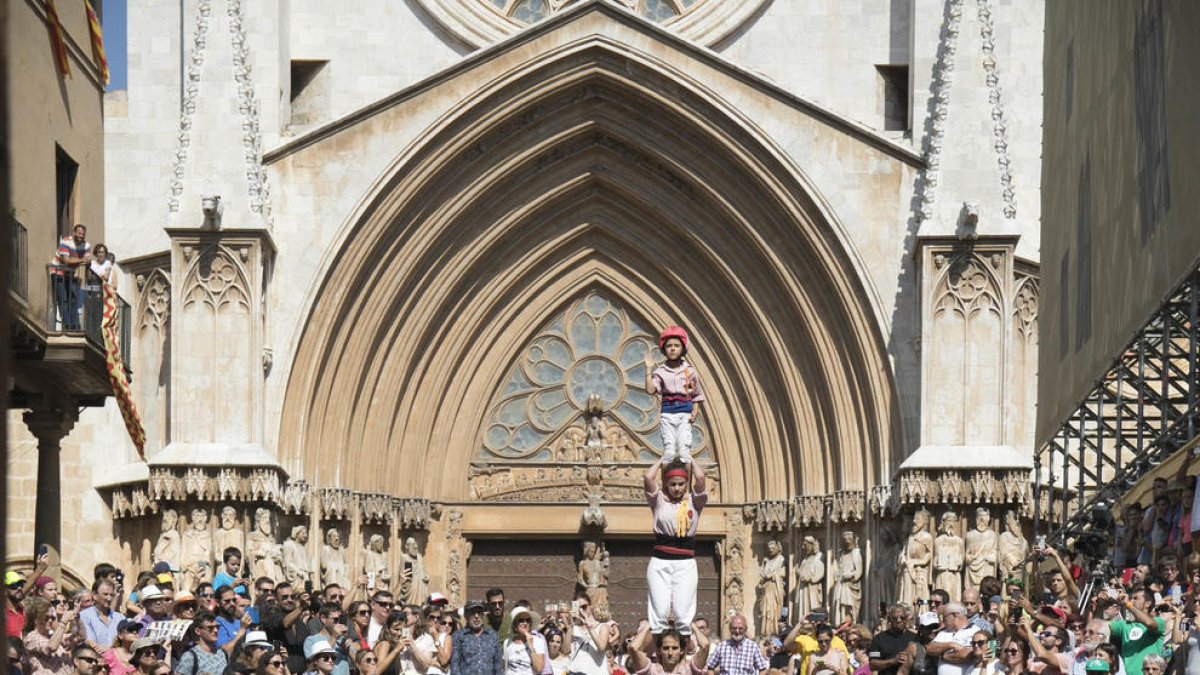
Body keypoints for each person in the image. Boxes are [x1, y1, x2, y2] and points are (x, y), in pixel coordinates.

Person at [644, 458, 707, 635]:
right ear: (666, 484)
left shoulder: (694, 502)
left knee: (682, 613)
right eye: (672, 484)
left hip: (685, 562)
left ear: (687, 484)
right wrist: (662, 461)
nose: (677, 488)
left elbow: (701, 478)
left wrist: (690, 458)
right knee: (660, 612)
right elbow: (648, 477)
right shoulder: (659, 502)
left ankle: (683, 652)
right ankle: (659, 648)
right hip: (660, 561)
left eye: (681, 484)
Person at [644, 326, 705, 464]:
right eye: (669, 346)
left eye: (676, 345)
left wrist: (695, 411)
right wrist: (649, 370)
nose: (672, 348)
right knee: (669, 452)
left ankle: (687, 481)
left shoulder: (688, 372)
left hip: (684, 413)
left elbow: (695, 394)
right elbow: (651, 390)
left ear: (682, 348)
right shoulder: (661, 372)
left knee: (684, 453)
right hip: (668, 413)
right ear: (664, 349)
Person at [1108, 590, 1164, 675]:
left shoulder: (1159, 621)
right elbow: (1100, 628)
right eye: (1131, 599)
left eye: (1135, 598)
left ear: (1147, 603)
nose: (1131, 601)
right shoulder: (1124, 625)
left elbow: (1149, 623)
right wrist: (1100, 605)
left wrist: (1128, 605)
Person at [627, 621, 710, 675]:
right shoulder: (652, 671)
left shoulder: (689, 670)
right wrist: (649, 625)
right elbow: (633, 648)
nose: (670, 653)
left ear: (681, 650)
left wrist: (689, 622)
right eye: (666, 648)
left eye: (674, 648)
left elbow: (705, 645)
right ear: (659, 650)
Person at [265, 582, 313, 673]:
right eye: (285, 597)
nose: (289, 600)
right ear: (276, 599)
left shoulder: (300, 623)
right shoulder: (271, 617)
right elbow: (285, 623)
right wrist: (302, 607)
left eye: (292, 597)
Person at [23, 596, 79, 675]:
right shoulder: (32, 637)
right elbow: (51, 647)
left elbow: (81, 637)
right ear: (36, 620)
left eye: (52, 618)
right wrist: (63, 622)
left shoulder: (52, 635)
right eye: (46, 618)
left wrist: (78, 619)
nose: (50, 621)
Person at [51, 224, 91, 331]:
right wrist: (82, 260)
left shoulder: (86, 245)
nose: (81, 236)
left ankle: (75, 326)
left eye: (83, 234)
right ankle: (67, 324)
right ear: (74, 232)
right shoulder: (66, 241)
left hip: (70, 274)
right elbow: (66, 260)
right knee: (63, 299)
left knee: (73, 300)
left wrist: (85, 263)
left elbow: (88, 260)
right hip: (58, 272)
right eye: (79, 233)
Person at [452, 600, 502, 675]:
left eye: (479, 613)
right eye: (472, 613)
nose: (476, 616)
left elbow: (498, 665)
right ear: (466, 615)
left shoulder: (492, 635)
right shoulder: (459, 636)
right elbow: (455, 665)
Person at [868, 605, 917, 675]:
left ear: (906, 618)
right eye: (894, 618)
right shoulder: (878, 639)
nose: (898, 620)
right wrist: (893, 661)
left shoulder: (915, 638)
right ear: (890, 619)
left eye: (902, 617)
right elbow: (872, 665)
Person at [928, 603, 976, 675]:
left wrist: (943, 656)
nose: (943, 621)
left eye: (944, 617)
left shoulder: (974, 631)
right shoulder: (944, 632)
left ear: (954, 615)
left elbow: (965, 655)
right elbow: (930, 649)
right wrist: (951, 645)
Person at [304, 604, 349, 675]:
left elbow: (359, 661)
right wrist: (334, 637)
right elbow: (312, 663)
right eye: (336, 619)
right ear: (323, 618)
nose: (339, 623)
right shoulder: (311, 640)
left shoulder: (342, 639)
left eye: (341, 619)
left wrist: (348, 649)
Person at [79, 580, 123, 651]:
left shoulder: (120, 618)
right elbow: (90, 643)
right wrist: (113, 651)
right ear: (94, 595)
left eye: (112, 595)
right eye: (105, 594)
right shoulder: (84, 616)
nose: (109, 598)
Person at [504, 607, 547, 675]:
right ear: (515, 624)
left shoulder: (538, 641)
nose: (525, 623)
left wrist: (531, 646)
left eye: (528, 620)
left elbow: (539, 668)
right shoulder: (507, 642)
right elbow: (504, 667)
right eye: (521, 620)